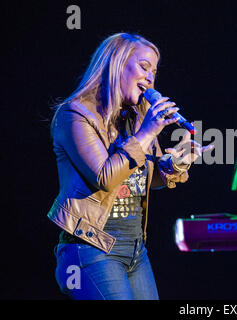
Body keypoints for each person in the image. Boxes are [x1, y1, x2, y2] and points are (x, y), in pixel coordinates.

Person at [48, 33, 213, 300]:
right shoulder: (75, 116)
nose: (150, 78)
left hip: (136, 250)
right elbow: (105, 177)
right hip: (92, 249)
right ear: (115, 64)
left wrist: (176, 163)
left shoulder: (136, 118)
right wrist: (148, 131)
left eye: (154, 71)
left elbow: (146, 177)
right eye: (143, 67)